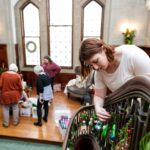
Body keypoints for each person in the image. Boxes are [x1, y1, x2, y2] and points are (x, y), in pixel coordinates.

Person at [79, 38, 150, 122]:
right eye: (91, 65)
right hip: (127, 110)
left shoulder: (134, 55)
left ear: (103, 49)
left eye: (96, 61)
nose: (95, 67)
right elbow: (99, 95)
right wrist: (98, 108)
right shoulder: (99, 71)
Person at [0, 63, 22, 127]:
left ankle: (6, 124)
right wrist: (20, 94)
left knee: (5, 109)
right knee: (15, 108)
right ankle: (15, 122)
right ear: (15, 69)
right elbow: (20, 87)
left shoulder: (3, 74)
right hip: (15, 95)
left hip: (5, 95)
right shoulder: (17, 76)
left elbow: (0, 85)